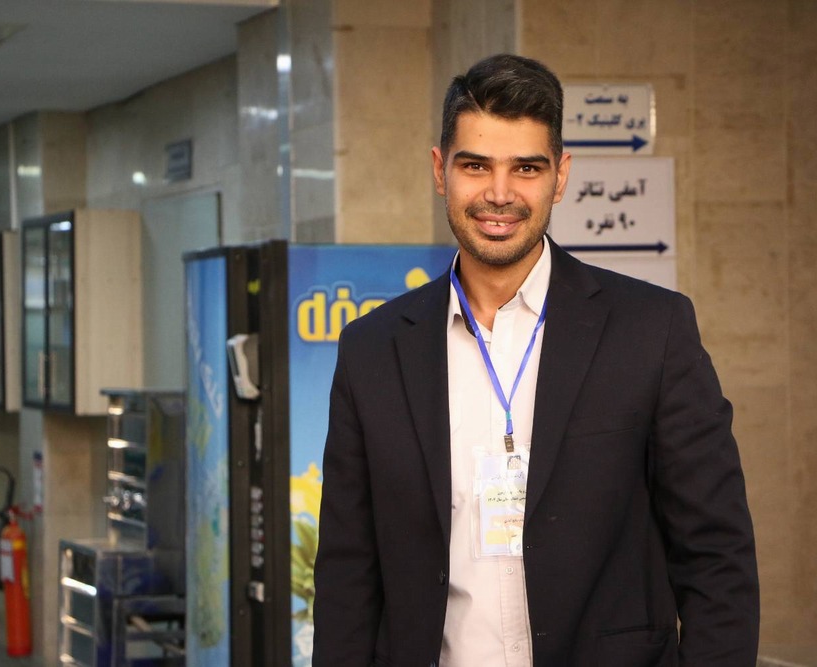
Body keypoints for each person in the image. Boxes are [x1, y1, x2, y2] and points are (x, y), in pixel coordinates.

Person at [313, 53, 759, 667]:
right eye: (475, 166)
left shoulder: (651, 331)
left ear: (561, 175)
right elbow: (347, 572)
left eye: (526, 168)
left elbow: (717, 556)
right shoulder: (373, 350)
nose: (499, 195)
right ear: (440, 170)